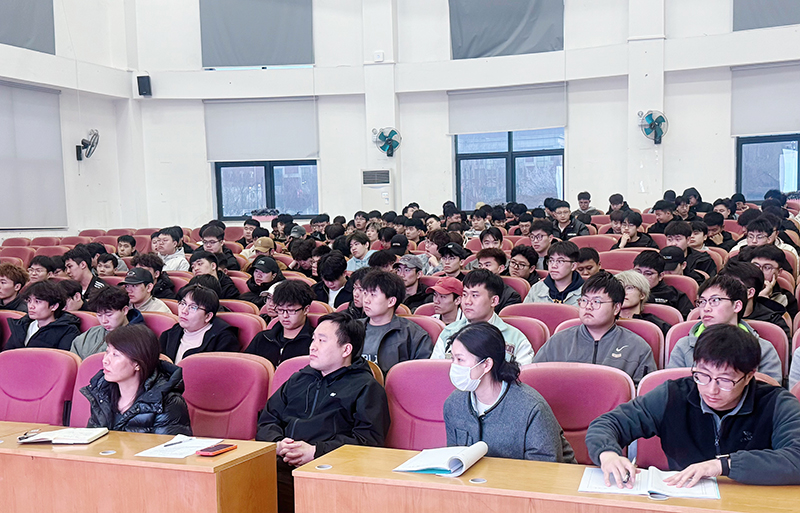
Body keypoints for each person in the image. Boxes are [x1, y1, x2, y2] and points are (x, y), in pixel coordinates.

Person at [587, 324, 800, 487]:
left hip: (750, 500)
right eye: (702, 376)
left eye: (725, 380)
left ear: (749, 376)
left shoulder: (777, 404)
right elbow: (608, 424)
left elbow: (796, 457)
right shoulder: (673, 395)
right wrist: (608, 454)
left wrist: (723, 465)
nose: (711, 389)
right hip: (684, 496)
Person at [256, 312, 390, 513]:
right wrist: (278, 444)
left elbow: (369, 441)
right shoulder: (299, 379)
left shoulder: (366, 387)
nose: (312, 346)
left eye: (322, 340)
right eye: (313, 339)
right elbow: (268, 419)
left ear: (346, 349)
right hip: (279, 465)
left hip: (329, 473)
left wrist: (315, 452)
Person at [443, 322, 575, 462]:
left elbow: (545, 468)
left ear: (486, 364)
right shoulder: (454, 403)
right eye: (452, 358)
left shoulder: (532, 408)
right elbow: (455, 459)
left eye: (460, 359)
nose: (454, 366)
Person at [533, 273, 656, 384]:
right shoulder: (558, 341)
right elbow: (535, 380)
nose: (588, 307)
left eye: (597, 301)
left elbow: (645, 394)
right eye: (584, 300)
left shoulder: (637, 347)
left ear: (616, 308)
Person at [666, 275, 782, 382]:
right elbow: (674, 388)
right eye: (702, 301)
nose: (706, 308)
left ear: (737, 306)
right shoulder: (684, 346)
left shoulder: (763, 348)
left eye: (715, 300)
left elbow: (770, 392)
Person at [82, 324, 191, 435]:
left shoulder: (167, 403)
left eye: (115, 355)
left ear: (137, 363)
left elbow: (168, 445)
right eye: (107, 352)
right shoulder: (102, 392)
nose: (105, 360)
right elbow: (92, 438)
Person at [432, 269, 534, 364]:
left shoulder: (515, 339)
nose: (467, 302)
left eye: (475, 295)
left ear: (494, 301)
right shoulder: (449, 332)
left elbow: (522, 376)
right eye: (465, 295)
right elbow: (435, 371)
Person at [359, 270, 433, 375]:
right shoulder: (351, 329)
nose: (366, 300)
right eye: (365, 293)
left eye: (373, 294)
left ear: (391, 301)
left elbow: (421, 375)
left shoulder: (414, 336)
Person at [159, 284, 240, 363]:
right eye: (183, 303)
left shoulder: (224, 339)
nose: (184, 311)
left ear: (208, 316)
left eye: (193, 307)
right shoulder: (170, 333)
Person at [246, 280, 315, 367]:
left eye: (291, 310)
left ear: (306, 309)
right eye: (280, 310)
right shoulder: (263, 338)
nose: (285, 316)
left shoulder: (314, 342)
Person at [718, 259, 791, 340]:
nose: (722, 293)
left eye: (731, 288)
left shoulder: (773, 321)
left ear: (750, 292)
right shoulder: (714, 316)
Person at [70, 286, 146, 359]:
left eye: (109, 315)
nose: (104, 321)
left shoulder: (139, 338)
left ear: (125, 310)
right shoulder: (90, 334)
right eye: (99, 315)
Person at [4, 280, 80, 351]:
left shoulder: (68, 330)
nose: (31, 306)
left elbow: (62, 358)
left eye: (37, 301)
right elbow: (7, 354)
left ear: (54, 306)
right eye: (29, 301)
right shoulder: (22, 325)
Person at [738, 244, 798, 318]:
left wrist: (763, 300)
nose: (760, 271)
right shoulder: (737, 289)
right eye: (756, 265)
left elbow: (780, 323)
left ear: (779, 272)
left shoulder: (786, 298)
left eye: (767, 267)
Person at [633, 250, 693, 318]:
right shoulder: (625, 292)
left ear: (660, 276)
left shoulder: (675, 296)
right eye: (638, 272)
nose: (641, 277)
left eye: (648, 273)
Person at [524, 241, 584, 307]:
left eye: (560, 261)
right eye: (551, 260)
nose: (554, 266)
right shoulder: (537, 288)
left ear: (573, 266)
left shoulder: (586, 292)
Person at [615, 270, 672, 336]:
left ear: (642, 295)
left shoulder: (653, 324)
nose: (624, 293)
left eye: (629, 288)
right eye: (619, 288)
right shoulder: (608, 321)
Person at [475, 248, 522, 312]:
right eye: (480, 265)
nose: (482, 269)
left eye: (487, 265)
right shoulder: (472, 289)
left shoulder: (511, 296)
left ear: (500, 268)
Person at [63, 245, 108, 311]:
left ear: (83, 265)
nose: (67, 272)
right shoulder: (68, 288)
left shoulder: (100, 288)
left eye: (70, 266)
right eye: (66, 268)